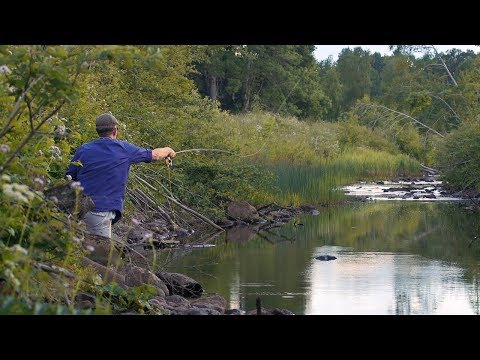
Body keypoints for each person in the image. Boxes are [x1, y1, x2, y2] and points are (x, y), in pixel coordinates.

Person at [66, 113, 176, 238]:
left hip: (79, 209)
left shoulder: (83, 149)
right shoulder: (124, 149)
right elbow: (155, 155)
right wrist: (168, 150)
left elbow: (70, 176)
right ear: (115, 130)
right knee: (100, 254)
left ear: (98, 131)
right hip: (100, 210)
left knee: (82, 247)